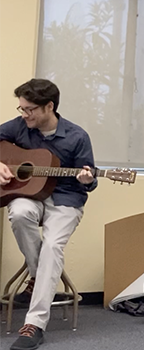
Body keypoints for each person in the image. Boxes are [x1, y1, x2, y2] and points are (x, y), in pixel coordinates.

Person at [0, 79, 97, 350]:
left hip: (65, 200)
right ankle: (38, 274)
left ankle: (34, 325)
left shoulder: (77, 136)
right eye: (21, 108)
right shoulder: (19, 126)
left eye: (29, 109)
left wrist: (87, 179)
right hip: (31, 197)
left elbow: (89, 181)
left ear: (49, 106)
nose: (24, 114)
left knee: (53, 246)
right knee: (19, 213)